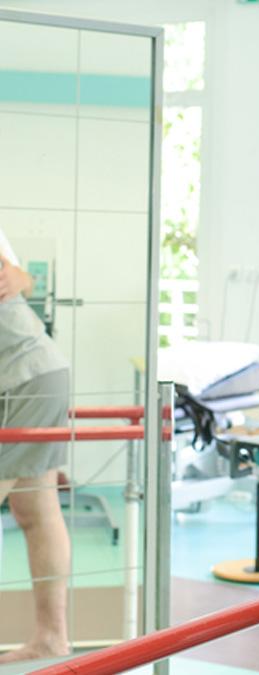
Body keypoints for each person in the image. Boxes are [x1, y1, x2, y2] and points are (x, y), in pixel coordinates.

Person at [0, 227, 71, 664]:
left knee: (37, 506)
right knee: (35, 507)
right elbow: (19, 278)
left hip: (24, 377)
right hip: (29, 374)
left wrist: (19, 278)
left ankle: (52, 637)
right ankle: (51, 639)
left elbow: (18, 278)